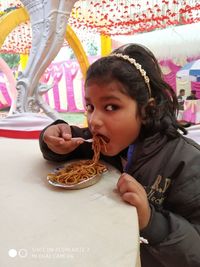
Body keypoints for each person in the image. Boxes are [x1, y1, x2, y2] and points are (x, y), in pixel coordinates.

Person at [39, 43, 200, 267]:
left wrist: (151, 221)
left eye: (111, 107)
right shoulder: (105, 140)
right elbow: (68, 142)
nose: (93, 121)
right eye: (90, 106)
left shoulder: (186, 163)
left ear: (147, 110)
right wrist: (51, 138)